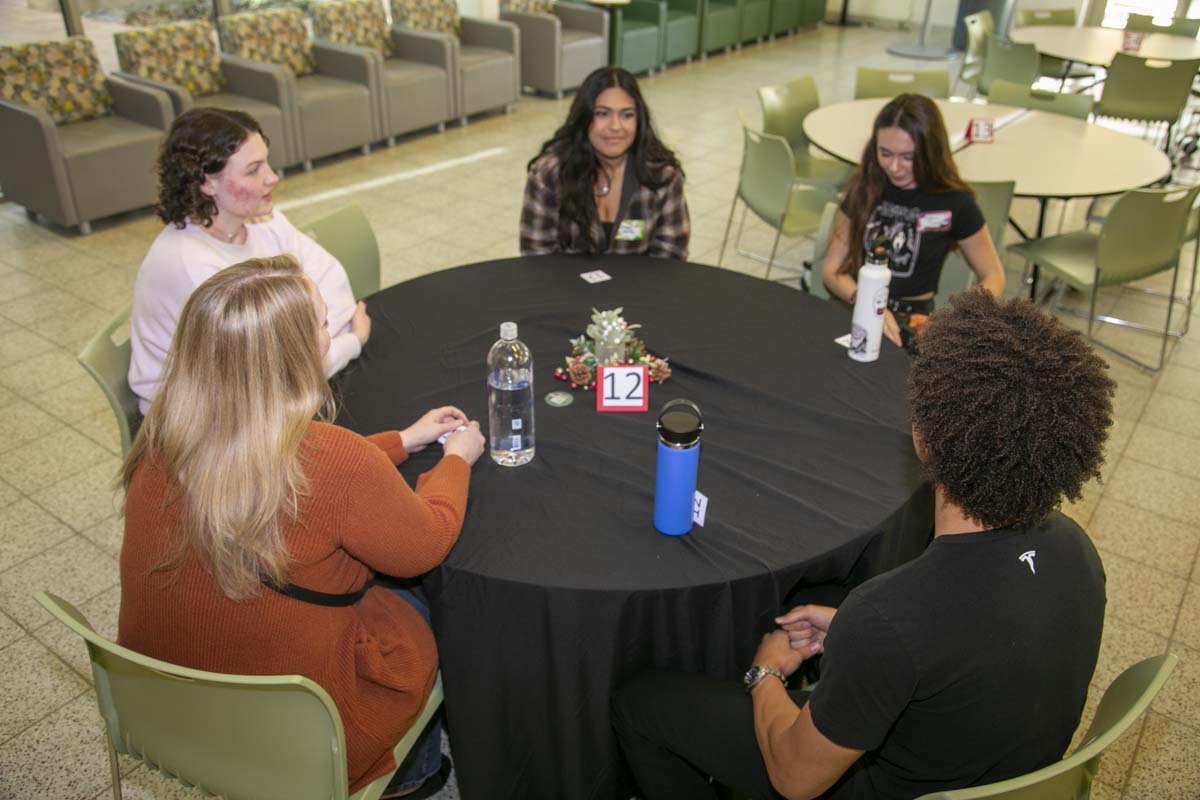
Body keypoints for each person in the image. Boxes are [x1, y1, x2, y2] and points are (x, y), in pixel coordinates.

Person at [612, 289, 1114, 800]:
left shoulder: (892, 617)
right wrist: (854, 632)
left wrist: (764, 673)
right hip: (1001, 773)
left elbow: (794, 777)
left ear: (925, 436)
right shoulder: (1078, 551)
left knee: (641, 704)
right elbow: (968, 644)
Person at [118, 256, 485, 799]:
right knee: (426, 600)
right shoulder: (331, 459)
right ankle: (411, 777)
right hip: (297, 730)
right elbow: (424, 542)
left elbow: (284, 470)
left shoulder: (159, 439)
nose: (330, 329)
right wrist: (455, 460)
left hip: (163, 707)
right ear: (295, 354)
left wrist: (399, 440)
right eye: (320, 323)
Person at [129, 107, 370, 414]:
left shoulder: (265, 222)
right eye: (253, 169)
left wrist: (309, 350)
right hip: (201, 422)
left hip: (261, 399)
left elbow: (332, 281)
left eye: (266, 162)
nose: (272, 177)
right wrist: (352, 341)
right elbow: (273, 383)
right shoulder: (194, 268)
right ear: (207, 183)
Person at [822, 94, 1006, 347]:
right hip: (857, 303)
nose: (894, 167)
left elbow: (994, 275)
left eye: (908, 157)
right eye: (885, 153)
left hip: (914, 321)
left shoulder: (956, 202)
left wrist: (959, 317)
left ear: (930, 153)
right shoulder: (865, 187)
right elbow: (832, 271)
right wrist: (865, 302)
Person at [520, 66, 690, 259]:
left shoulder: (662, 177)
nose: (615, 126)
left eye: (627, 115)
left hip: (641, 288)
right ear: (584, 118)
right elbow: (536, 257)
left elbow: (671, 258)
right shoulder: (549, 174)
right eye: (602, 113)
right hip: (566, 288)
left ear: (639, 121)